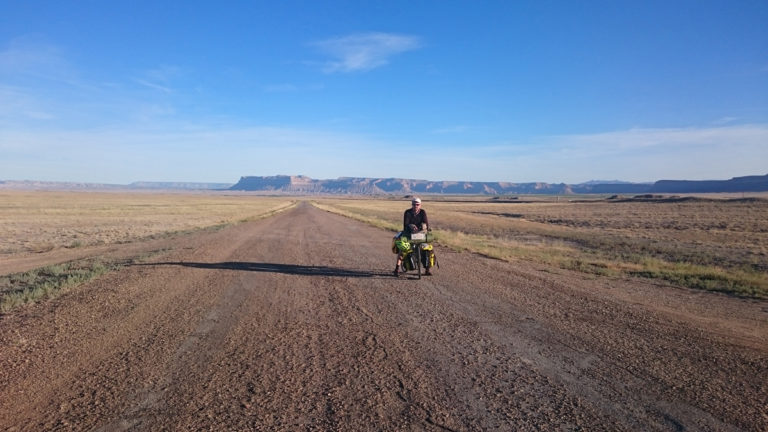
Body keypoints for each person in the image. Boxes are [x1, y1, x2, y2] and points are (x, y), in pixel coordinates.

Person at [394, 197, 431, 276]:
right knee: (403, 249)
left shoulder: (422, 212)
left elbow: (426, 223)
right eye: (414, 204)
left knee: (427, 249)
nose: (416, 206)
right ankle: (396, 268)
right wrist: (411, 226)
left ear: (420, 205)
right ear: (412, 205)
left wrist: (424, 228)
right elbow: (406, 224)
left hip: (420, 234)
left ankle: (427, 269)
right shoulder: (407, 212)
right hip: (409, 234)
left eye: (417, 204)